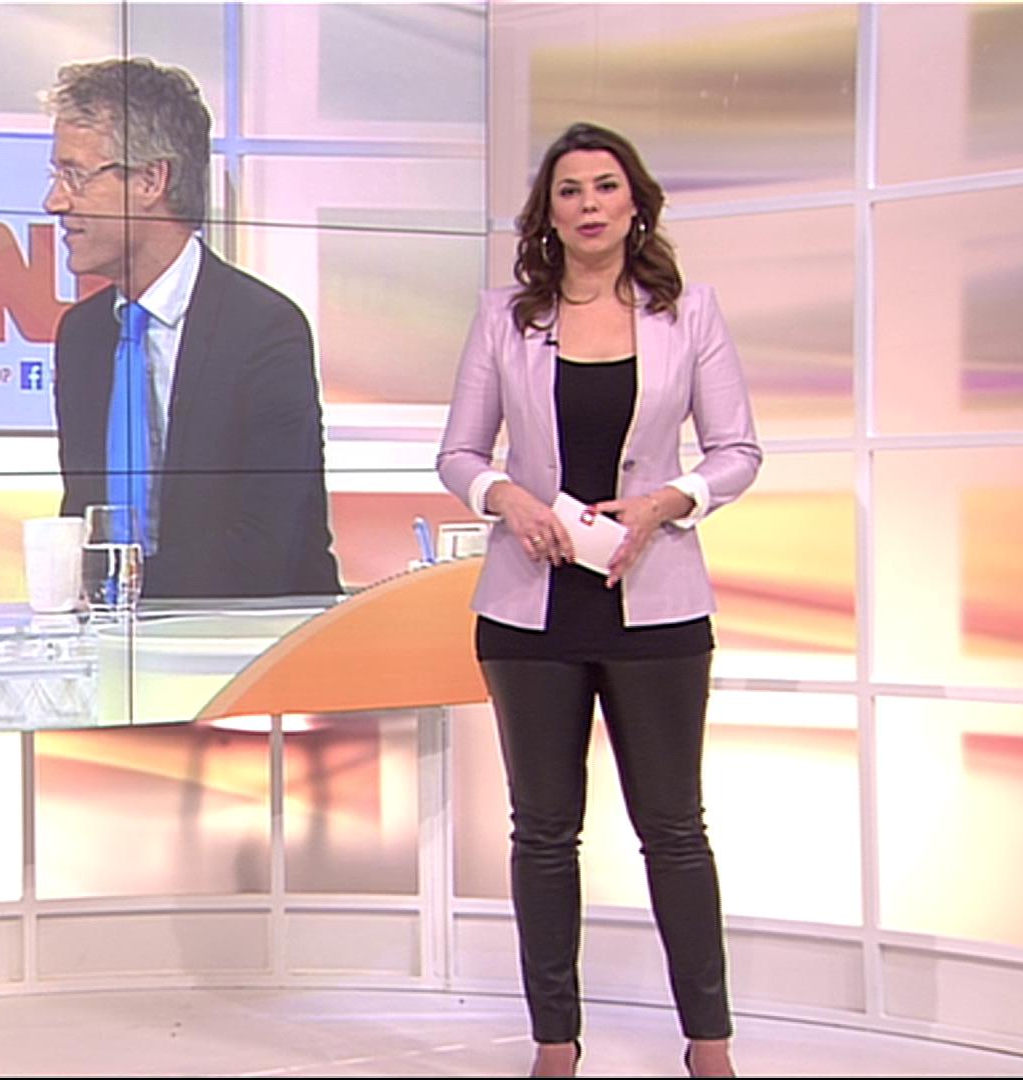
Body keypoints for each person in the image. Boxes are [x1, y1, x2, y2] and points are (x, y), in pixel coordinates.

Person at [437, 122, 761, 1078]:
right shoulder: (505, 318)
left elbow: (737, 451)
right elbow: (459, 452)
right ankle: (555, 1043)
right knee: (543, 833)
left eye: (605, 186)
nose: (588, 205)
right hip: (529, 611)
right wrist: (507, 498)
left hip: (656, 608)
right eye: (569, 190)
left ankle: (709, 1045)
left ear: (635, 204)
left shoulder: (688, 314)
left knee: (674, 830)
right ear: (548, 212)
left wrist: (670, 501)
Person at [42, 58, 341, 600]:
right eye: (57, 177)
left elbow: (268, 544)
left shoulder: (263, 330)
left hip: (251, 635)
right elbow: (84, 518)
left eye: (76, 176)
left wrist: (126, 592)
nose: (55, 202)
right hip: (119, 638)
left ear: (151, 180)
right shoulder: (82, 337)